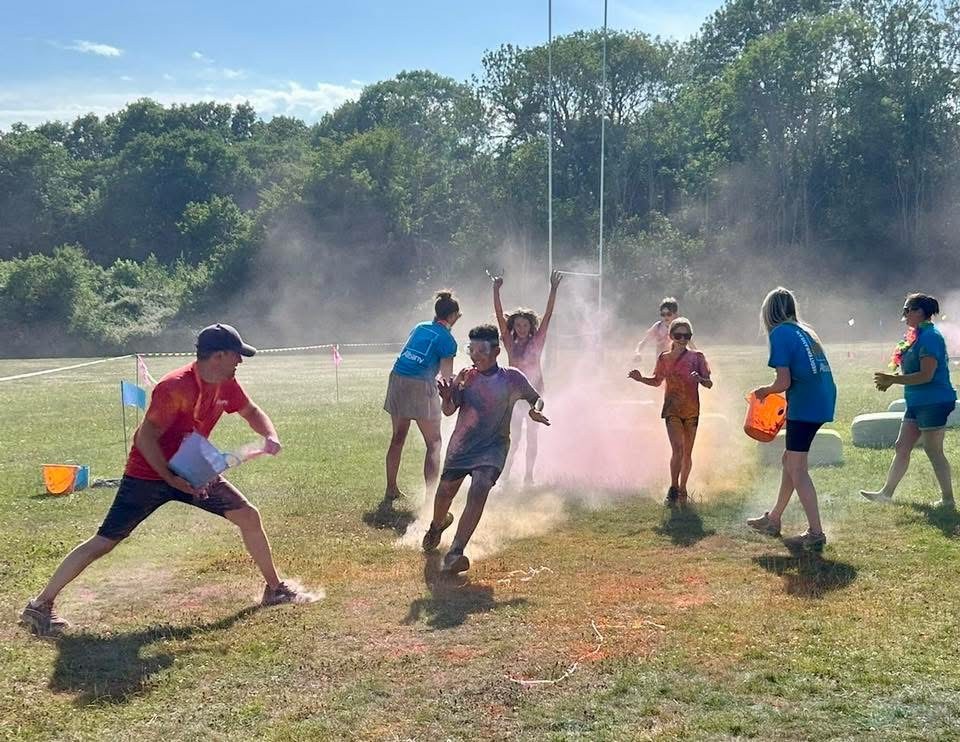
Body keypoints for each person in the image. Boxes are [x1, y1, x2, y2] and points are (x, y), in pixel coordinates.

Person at [20, 323, 304, 637]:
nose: (240, 362)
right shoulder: (175, 387)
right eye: (237, 355)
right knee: (105, 542)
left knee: (248, 516)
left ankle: (275, 589)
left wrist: (270, 434)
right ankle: (40, 605)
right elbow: (144, 438)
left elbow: (250, 410)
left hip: (192, 467)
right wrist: (169, 477)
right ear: (219, 356)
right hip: (147, 474)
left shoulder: (227, 383)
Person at [421, 325, 550, 573]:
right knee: (446, 492)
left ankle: (456, 551)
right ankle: (437, 526)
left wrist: (536, 410)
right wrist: (447, 396)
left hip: (493, 447)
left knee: (480, 488)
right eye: (472, 349)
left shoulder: (512, 377)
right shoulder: (465, 376)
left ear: (496, 351)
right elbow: (449, 411)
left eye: (481, 350)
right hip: (462, 447)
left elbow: (537, 398)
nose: (475, 355)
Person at [746, 287, 837, 551]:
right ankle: (773, 519)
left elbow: (783, 381)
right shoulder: (804, 329)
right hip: (821, 397)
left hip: (807, 403)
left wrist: (763, 392)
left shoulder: (780, 333)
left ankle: (816, 532)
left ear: (768, 312)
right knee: (790, 460)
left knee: (797, 467)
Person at [861, 293, 956, 508]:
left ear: (920, 312)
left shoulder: (930, 337)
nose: (903, 314)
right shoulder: (915, 336)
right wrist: (890, 380)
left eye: (907, 309)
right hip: (917, 401)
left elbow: (927, 375)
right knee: (902, 446)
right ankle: (886, 494)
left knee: (933, 450)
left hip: (934, 401)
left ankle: (948, 500)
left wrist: (893, 380)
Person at [383, 291, 461, 501]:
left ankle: (391, 488)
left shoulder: (420, 327)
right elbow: (445, 378)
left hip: (398, 378)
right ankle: (430, 498)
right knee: (434, 443)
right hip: (419, 386)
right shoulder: (448, 340)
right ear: (453, 316)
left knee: (398, 438)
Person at [629, 317, 712, 507]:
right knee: (678, 448)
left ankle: (683, 488)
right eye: (679, 335)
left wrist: (699, 378)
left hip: (691, 410)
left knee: (688, 452)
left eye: (686, 336)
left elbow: (709, 383)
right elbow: (657, 381)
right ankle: (673, 487)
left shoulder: (697, 357)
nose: (682, 339)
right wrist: (641, 379)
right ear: (671, 336)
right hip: (672, 409)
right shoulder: (664, 358)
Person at [492, 270, 562, 485]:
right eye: (518, 325)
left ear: (532, 326)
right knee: (513, 438)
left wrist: (553, 289)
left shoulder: (537, 342)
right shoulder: (510, 344)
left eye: (525, 325)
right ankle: (505, 476)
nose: (521, 329)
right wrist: (495, 290)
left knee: (533, 435)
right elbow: (498, 315)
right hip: (513, 396)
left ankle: (529, 476)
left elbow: (548, 315)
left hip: (536, 394)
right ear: (513, 327)